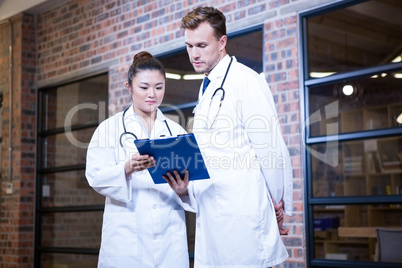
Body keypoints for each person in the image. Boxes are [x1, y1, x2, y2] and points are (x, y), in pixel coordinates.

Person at [164, 6, 293, 268]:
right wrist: (186, 189)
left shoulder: (246, 81)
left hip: (243, 219)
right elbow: (211, 154)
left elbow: (269, 148)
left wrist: (277, 203)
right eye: (189, 46)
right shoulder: (208, 87)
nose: (194, 54)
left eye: (201, 45)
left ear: (222, 42)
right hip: (213, 216)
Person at [85, 51, 192, 268]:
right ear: (129, 87)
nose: (152, 94)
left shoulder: (176, 131)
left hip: (168, 242)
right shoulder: (110, 129)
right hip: (126, 240)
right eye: (144, 87)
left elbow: (194, 181)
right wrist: (127, 168)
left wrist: (183, 190)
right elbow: (95, 177)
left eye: (159, 87)